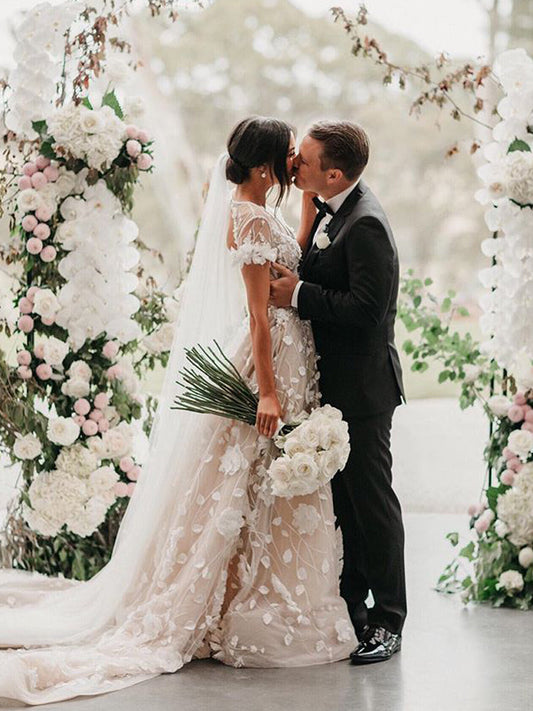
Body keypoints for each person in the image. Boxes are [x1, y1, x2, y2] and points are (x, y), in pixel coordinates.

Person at [0, 116, 356, 706]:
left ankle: (245, 584)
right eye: (290, 154)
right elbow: (258, 317)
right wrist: (267, 391)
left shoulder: (260, 211)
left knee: (256, 480)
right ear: (267, 164)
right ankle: (221, 594)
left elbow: (285, 262)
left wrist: (310, 209)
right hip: (270, 359)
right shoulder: (245, 217)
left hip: (295, 357)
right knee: (242, 475)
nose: (297, 161)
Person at [270, 120, 407, 665]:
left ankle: (389, 620)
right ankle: (352, 607)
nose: (292, 164)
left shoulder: (366, 224)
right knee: (344, 505)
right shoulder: (332, 208)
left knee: (372, 505)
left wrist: (299, 293)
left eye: (301, 159)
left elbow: (367, 314)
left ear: (332, 172)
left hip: (365, 389)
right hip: (334, 386)